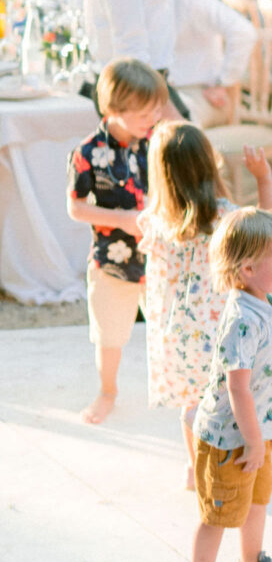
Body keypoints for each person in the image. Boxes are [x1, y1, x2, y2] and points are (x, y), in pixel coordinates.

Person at [140, 124, 272, 487]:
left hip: (177, 332)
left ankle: (193, 467)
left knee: (191, 404)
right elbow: (269, 227)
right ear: (209, 165)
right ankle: (220, 466)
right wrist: (263, 179)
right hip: (217, 328)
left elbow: (150, 279)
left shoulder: (157, 221)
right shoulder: (224, 217)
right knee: (222, 401)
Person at [186, 207, 272, 562]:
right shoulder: (242, 321)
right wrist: (252, 438)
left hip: (254, 433)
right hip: (230, 439)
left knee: (256, 500)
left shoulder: (263, 302)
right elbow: (238, 387)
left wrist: (265, 429)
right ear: (247, 268)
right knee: (219, 512)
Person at [67, 58, 168, 424]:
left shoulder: (157, 141)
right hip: (111, 258)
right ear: (113, 108)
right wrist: (123, 220)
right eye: (144, 112)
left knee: (166, 328)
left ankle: (171, 389)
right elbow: (75, 207)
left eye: (157, 109)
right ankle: (107, 391)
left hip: (160, 257)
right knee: (109, 334)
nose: (153, 117)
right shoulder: (88, 151)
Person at [170, 0, 257, 128]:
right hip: (161, 92)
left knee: (176, 125)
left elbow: (243, 31)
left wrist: (224, 82)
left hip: (201, 92)